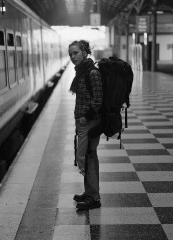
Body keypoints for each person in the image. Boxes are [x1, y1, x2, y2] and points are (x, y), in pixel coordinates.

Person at [68, 40, 103, 210]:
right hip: (82, 122)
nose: (72, 57)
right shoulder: (81, 72)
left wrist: (85, 117)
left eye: (75, 53)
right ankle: (89, 193)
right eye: (70, 54)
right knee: (89, 157)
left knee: (86, 158)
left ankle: (94, 198)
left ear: (84, 52)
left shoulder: (92, 73)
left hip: (89, 122)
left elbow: (98, 99)